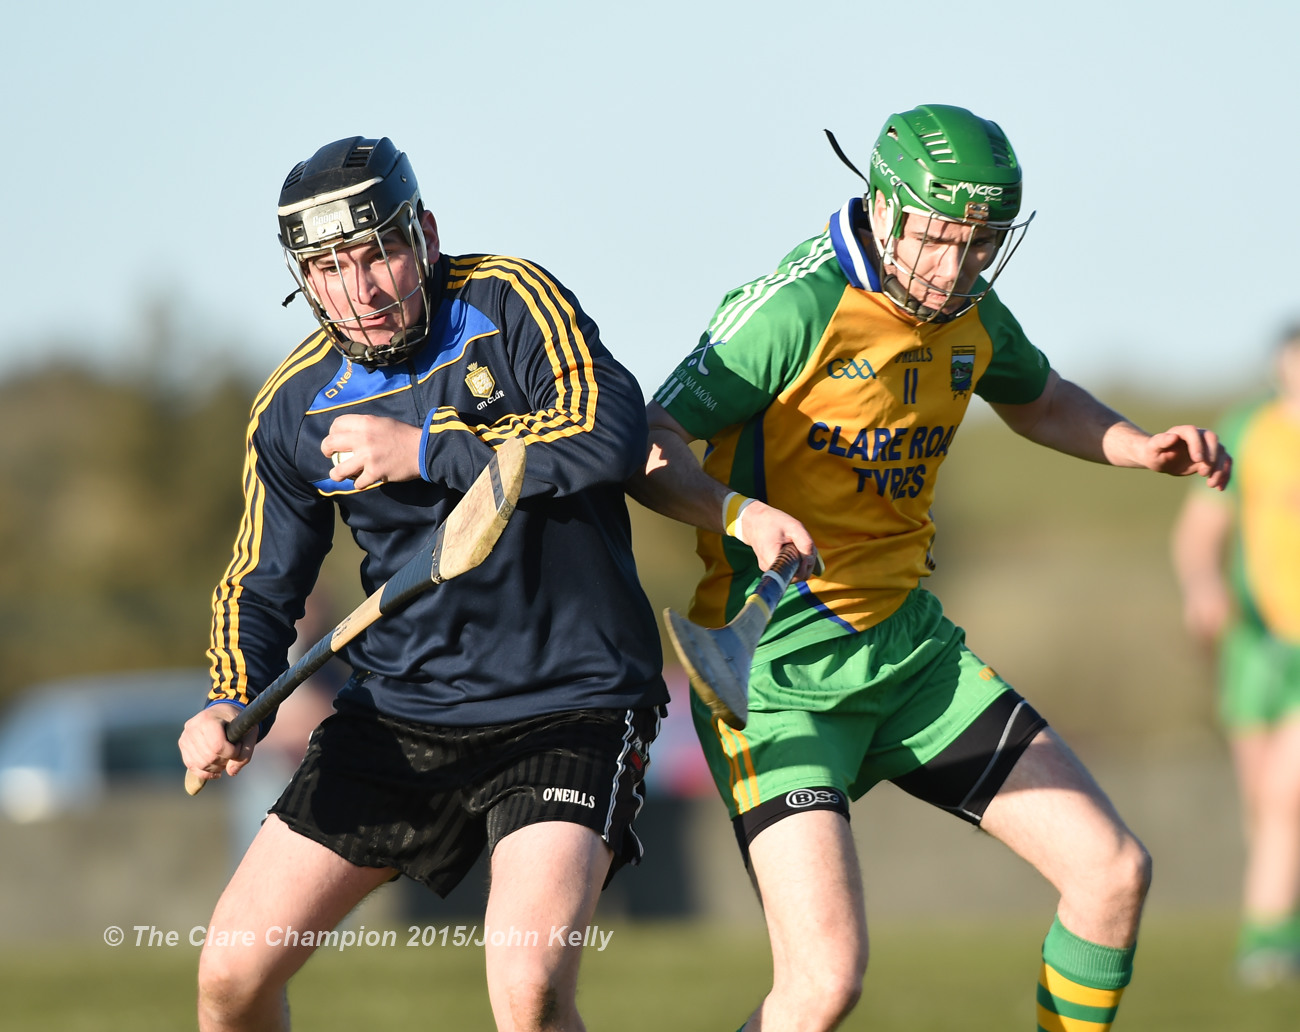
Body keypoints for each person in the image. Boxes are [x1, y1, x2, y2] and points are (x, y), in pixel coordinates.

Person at [626, 103, 1231, 1031]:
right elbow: (650, 443)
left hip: (913, 659)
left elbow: (1038, 397)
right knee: (822, 986)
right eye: (940, 238)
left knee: (1112, 873)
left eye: (982, 244)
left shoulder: (970, 309)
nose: (955, 268)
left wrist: (1138, 447)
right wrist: (739, 514)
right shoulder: (796, 307)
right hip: (772, 671)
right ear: (886, 205)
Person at [178, 136, 667, 1032]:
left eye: (379, 254)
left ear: (425, 236)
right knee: (228, 979)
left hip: (573, 703)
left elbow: (610, 432)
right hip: (404, 713)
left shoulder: (510, 301)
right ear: (302, 276)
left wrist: (426, 450)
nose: (360, 289)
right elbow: (260, 581)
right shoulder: (295, 404)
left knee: (528, 991)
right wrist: (230, 696)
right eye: (328, 267)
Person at [1172, 326, 1300, 987]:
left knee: (1287, 793)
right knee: (1263, 799)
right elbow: (1201, 530)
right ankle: (1285, 921)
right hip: (1256, 643)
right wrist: (1204, 586)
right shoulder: (1250, 431)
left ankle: (1268, 941)